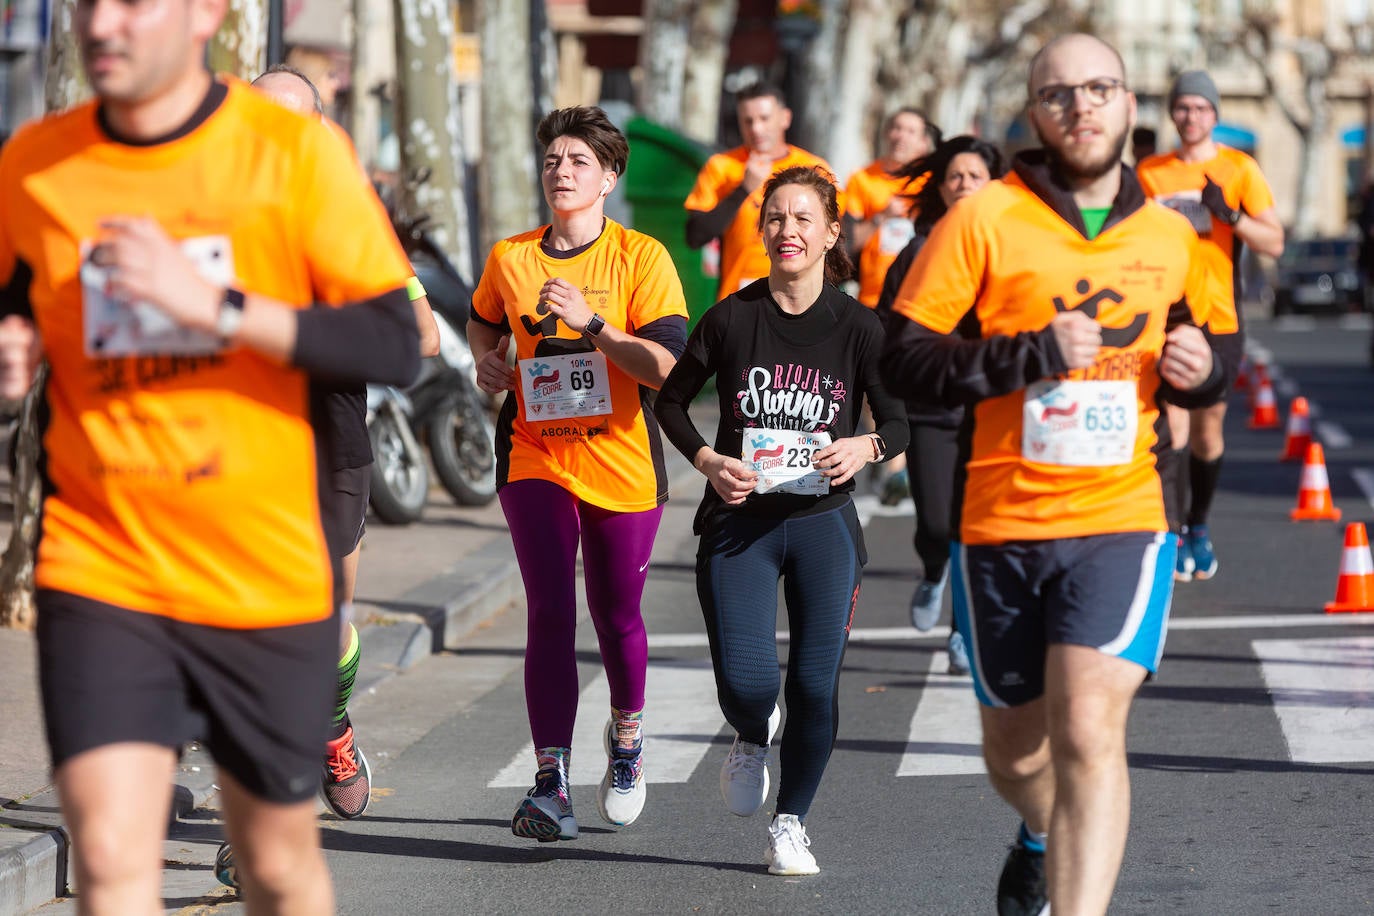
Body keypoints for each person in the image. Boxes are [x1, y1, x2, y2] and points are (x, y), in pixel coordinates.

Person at [0, 0, 423, 910]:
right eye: (87, 3)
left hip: (259, 568)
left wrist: (216, 307)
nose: (102, 24)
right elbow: (17, 300)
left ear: (207, 14)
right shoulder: (35, 163)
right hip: (102, 564)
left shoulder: (295, 155)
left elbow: (395, 340)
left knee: (272, 865)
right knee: (111, 861)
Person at [880, 34, 1225, 915]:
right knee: (1018, 754)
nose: (1082, 107)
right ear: (1034, 113)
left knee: (1088, 728)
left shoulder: (1171, 234)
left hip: (1123, 515)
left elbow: (1217, 347)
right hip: (1000, 522)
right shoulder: (983, 219)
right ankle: (1036, 832)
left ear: (1128, 103)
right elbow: (907, 361)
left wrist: (1203, 367)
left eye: (1099, 88)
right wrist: (1025, 356)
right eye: (1060, 93)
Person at [655, 165, 908, 876]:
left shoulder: (859, 326)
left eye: (803, 219)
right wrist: (707, 460)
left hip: (824, 525)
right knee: (749, 685)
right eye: (775, 218)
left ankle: (790, 823)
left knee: (815, 684)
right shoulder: (732, 317)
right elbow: (670, 403)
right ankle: (748, 731)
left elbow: (898, 418)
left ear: (832, 233)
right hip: (739, 524)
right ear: (760, 230)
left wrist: (868, 444)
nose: (787, 230)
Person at [467, 106, 688, 842]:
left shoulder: (641, 257)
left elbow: (663, 366)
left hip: (621, 461)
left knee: (616, 614)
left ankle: (626, 740)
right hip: (535, 455)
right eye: (554, 160)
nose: (562, 171)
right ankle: (550, 780)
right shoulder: (511, 256)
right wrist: (487, 362)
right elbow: (483, 320)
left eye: (580, 162)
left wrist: (595, 325)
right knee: (550, 611)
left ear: (610, 177)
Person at [1136, 69, 1284, 581]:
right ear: (1173, 114)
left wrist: (1231, 216)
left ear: (1215, 115)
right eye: (1183, 107)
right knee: (1171, 425)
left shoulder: (1239, 169)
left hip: (1219, 316)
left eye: (1201, 108)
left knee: (1208, 431)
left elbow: (1274, 242)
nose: (1191, 116)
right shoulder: (1150, 172)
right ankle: (1173, 532)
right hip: (1165, 317)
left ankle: (1199, 524)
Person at [874, 136, 1007, 676]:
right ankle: (933, 569)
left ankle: (962, 632)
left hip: (993, 408)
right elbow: (889, 325)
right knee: (936, 524)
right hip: (932, 408)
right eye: (955, 177)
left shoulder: (1014, 245)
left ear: (994, 186)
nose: (964, 186)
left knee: (974, 529)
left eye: (975, 176)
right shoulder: (919, 249)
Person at [685, 82, 837, 300]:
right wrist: (743, 189)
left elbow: (837, 238)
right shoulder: (722, 166)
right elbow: (695, 235)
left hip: (802, 297)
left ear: (785, 118)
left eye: (764, 119)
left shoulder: (814, 168)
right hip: (740, 296)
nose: (756, 128)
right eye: (748, 121)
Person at [844, 108, 940, 309]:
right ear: (887, 133)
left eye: (911, 131)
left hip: (920, 297)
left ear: (923, 142)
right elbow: (846, 244)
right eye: (897, 128)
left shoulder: (933, 184)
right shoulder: (862, 179)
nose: (901, 136)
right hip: (872, 297)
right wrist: (882, 217)